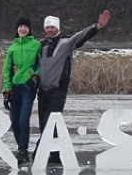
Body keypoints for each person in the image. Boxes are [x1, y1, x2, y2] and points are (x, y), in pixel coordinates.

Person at [35, 9, 111, 161]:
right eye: (47, 27)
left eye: (53, 27)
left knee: (51, 122)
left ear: (58, 28)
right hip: (42, 91)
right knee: (44, 125)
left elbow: (81, 36)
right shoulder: (39, 46)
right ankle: (49, 154)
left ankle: (46, 154)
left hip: (58, 91)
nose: (50, 30)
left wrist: (97, 27)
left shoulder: (66, 43)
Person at [2, 17, 41, 165]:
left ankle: (23, 151)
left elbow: (41, 64)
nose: (22, 29)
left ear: (29, 29)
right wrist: (6, 90)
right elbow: (7, 71)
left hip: (28, 88)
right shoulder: (12, 48)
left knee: (24, 120)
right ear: (17, 29)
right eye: (20, 27)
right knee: (15, 122)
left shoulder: (36, 45)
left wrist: (35, 75)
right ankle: (21, 149)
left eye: (25, 27)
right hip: (15, 89)